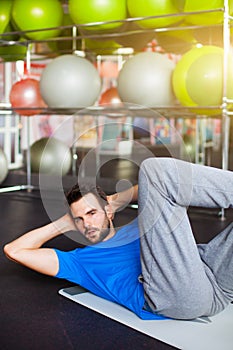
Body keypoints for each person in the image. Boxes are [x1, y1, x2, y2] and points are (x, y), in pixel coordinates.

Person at [3, 157, 233, 320]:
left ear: (109, 211)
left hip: (214, 279)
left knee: (154, 176)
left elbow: (146, 189)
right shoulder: (79, 262)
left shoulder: (140, 227)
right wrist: (64, 221)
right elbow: (15, 250)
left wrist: (113, 201)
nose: (87, 223)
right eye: (79, 220)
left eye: (92, 213)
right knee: (154, 170)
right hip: (177, 298)